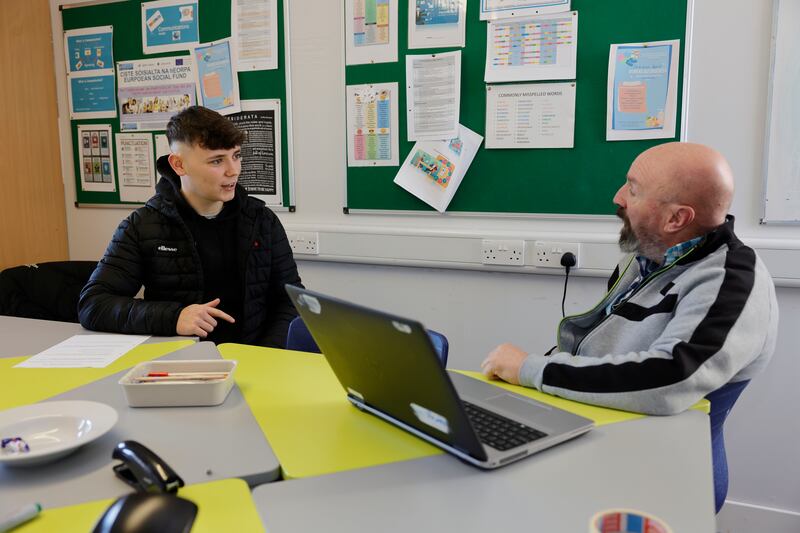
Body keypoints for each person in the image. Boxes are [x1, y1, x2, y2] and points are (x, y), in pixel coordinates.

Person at [481, 142, 778, 415]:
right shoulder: (648, 257)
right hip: (604, 424)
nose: (618, 197)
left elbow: (670, 380)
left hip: (662, 457)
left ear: (676, 219)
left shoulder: (731, 282)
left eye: (633, 190)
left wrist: (532, 369)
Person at [79, 106, 302, 347]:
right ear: (178, 165)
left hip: (254, 360)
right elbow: (93, 305)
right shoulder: (142, 226)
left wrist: (267, 355)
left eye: (236, 155)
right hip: (180, 364)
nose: (233, 170)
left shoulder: (262, 221)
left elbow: (291, 300)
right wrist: (173, 317)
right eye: (217, 160)